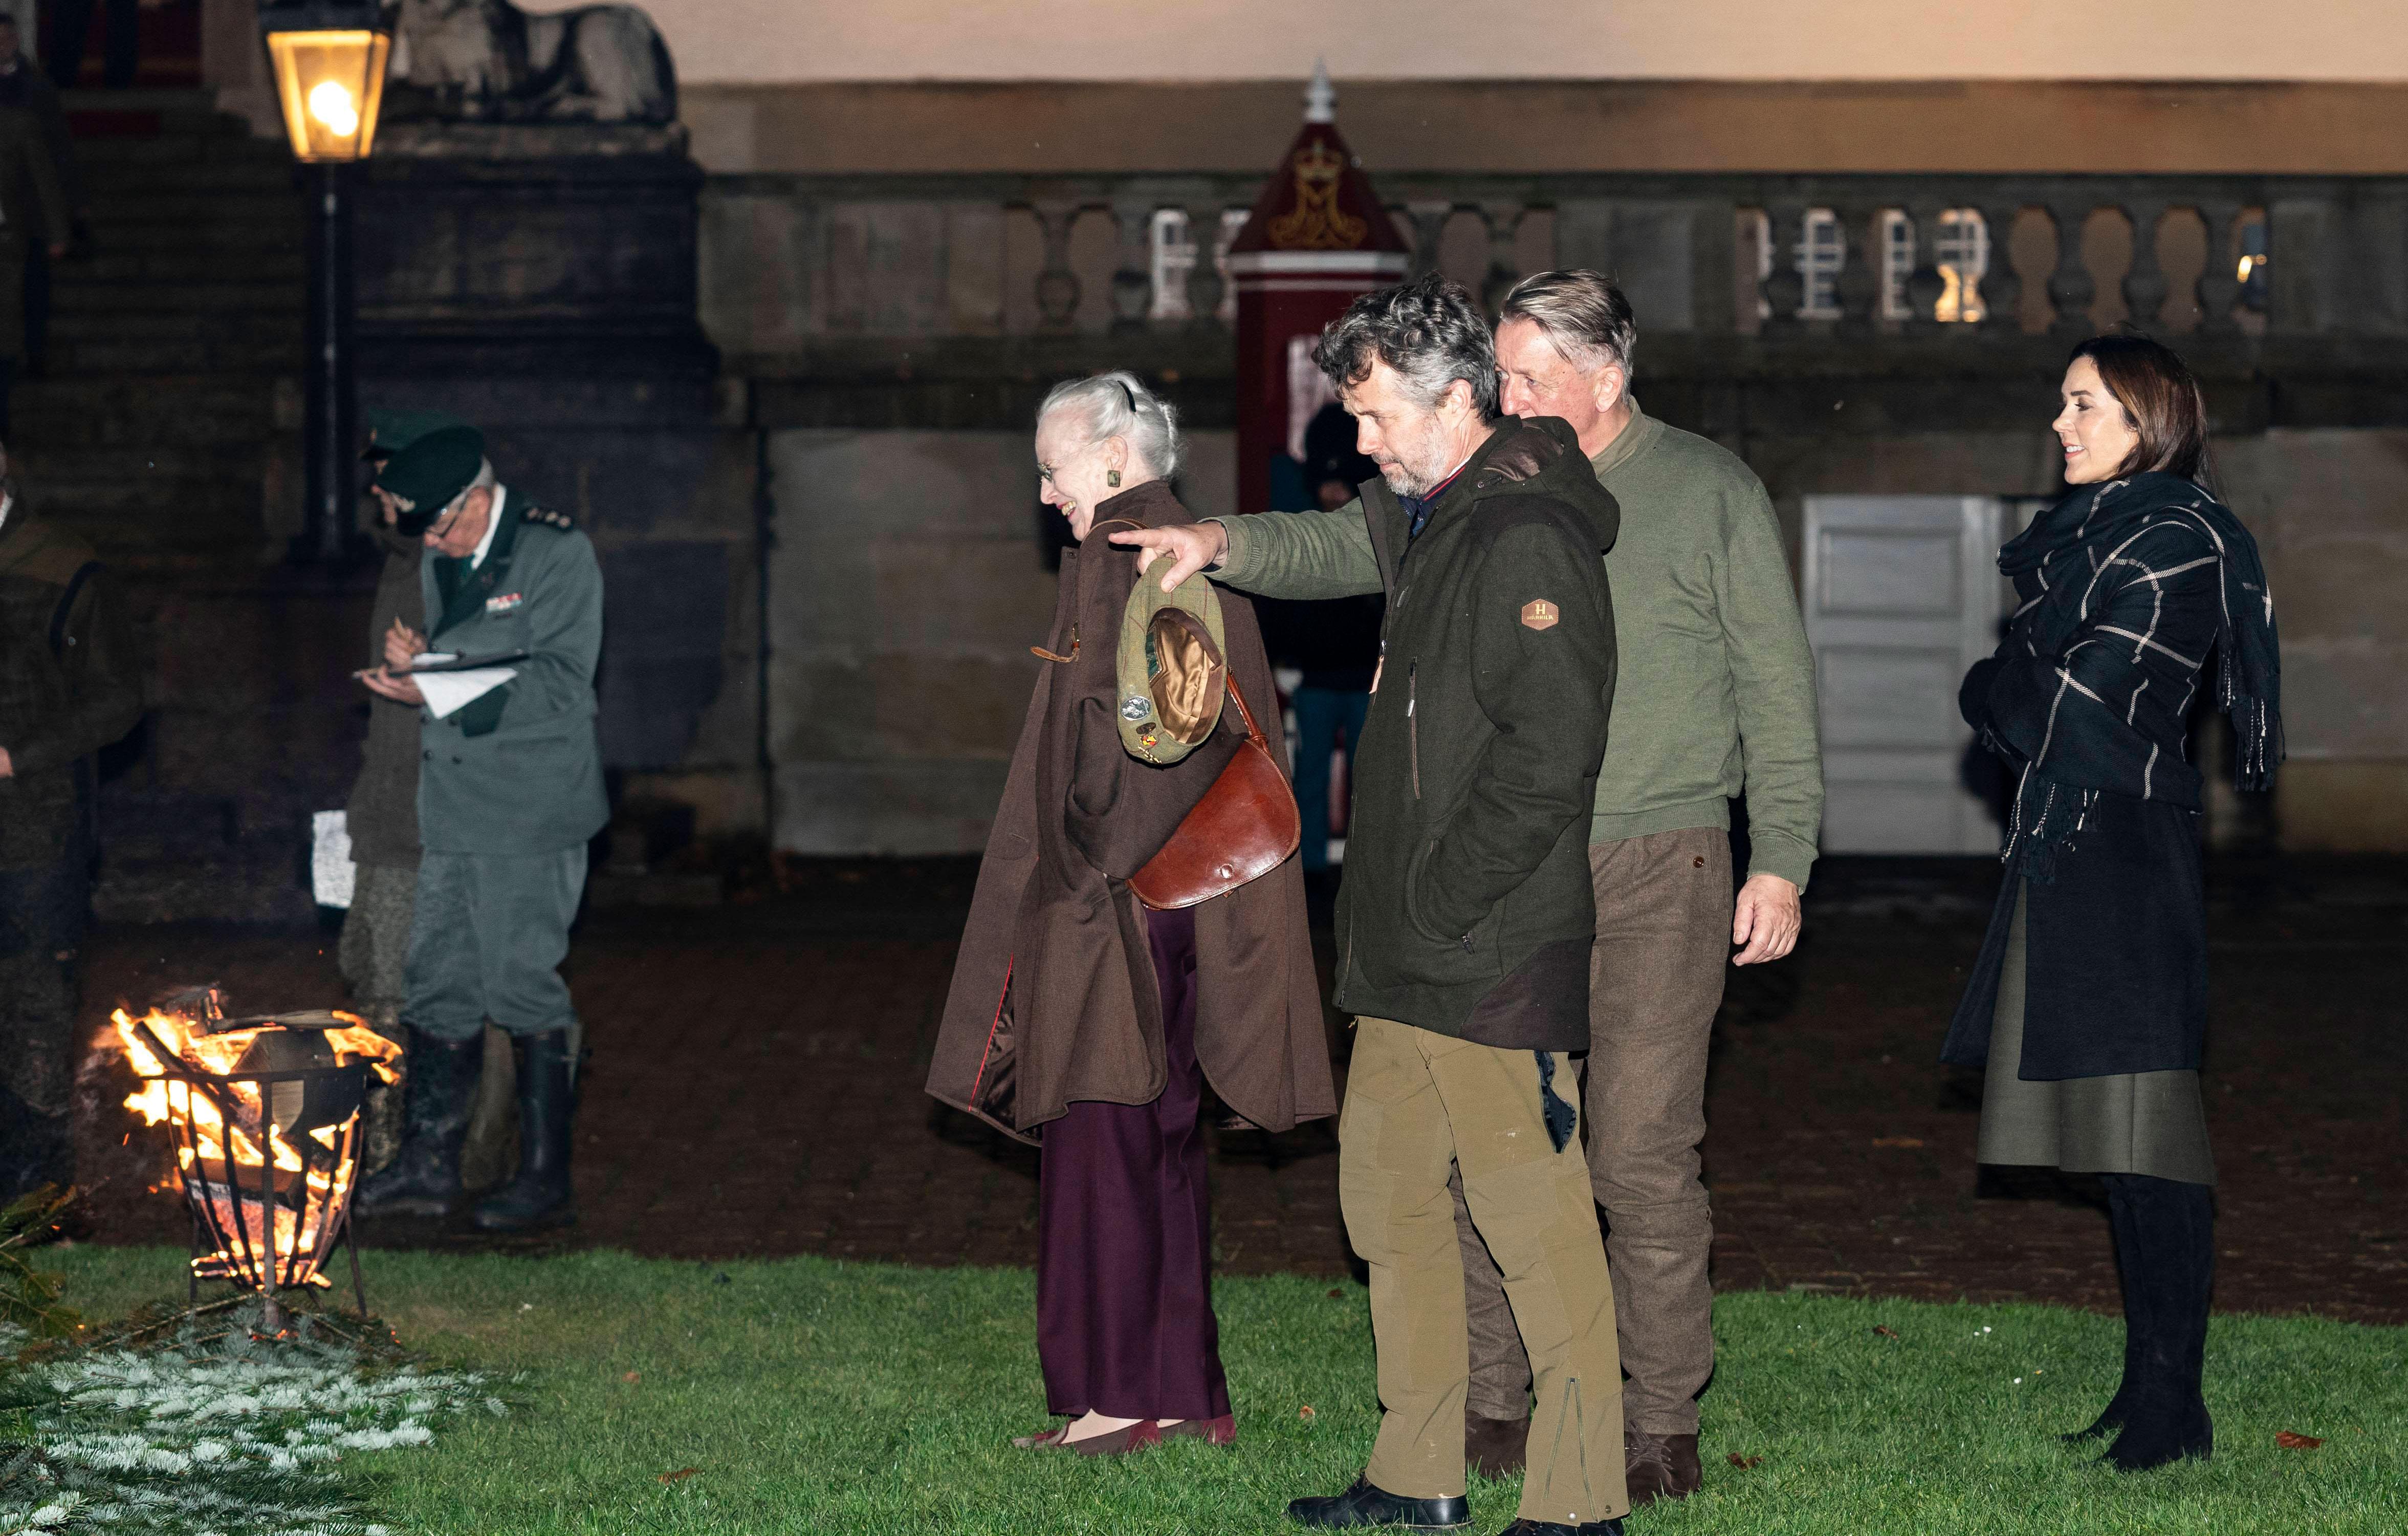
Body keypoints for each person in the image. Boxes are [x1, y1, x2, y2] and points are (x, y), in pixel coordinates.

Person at [1115, 274, 1630, 1536]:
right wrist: (1214, 543)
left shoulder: (1524, 536)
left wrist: (1441, 895)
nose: (1361, 440)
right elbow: (1330, 546)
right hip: (1406, 951)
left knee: (1535, 1227)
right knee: (1389, 1202)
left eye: (1378, 414)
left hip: (1489, 947)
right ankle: (1418, 1473)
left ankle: (1578, 1501)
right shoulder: (1430, 513)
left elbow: (1546, 759)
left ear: (1459, 399)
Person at [1444, 270, 1823, 1500]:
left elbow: (1776, 683)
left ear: (1608, 373)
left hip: (1665, 860)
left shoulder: (1708, 490)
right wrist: (1221, 540)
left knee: (1640, 1152)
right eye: (1500, 374)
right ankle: (1494, 1402)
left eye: (1528, 376)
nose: (1504, 397)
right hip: (1517, 861)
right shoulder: (1494, 486)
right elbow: (1362, 557)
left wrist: (1782, 857)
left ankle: (1659, 1422)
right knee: (1491, 1141)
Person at [925, 371, 1335, 1456]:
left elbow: (1148, 751)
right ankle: (1183, 1395)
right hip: (1162, 905)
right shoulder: (1172, 547)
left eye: (1053, 470)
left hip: (1115, 913)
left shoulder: (1133, 554)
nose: (1045, 491)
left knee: (1104, 1146)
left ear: (1112, 457)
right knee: (1154, 1148)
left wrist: (1074, 872)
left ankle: (1120, 1403)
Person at [1945, 333, 2280, 1473]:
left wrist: (2011, 680)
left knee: (2152, 1145)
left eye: (2084, 404)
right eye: (2061, 403)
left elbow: (2047, 711)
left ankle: (2174, 1406)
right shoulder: (2093, 539)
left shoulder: (2176, 537)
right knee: (2111, 1140)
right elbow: (2000, 689)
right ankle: (2145, 1387)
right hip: (2072, 846)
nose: (2061, 423)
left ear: (2148, 420)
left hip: (2124, 854)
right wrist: (2011, 681)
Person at [354, 424, 608, 1232]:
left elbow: (565, 682)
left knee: (520, 982)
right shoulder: (439, 549)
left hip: (529, 810)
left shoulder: (557, 554)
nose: (432, 542)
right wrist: (419, 661)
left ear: (476, 496)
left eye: (440, 525)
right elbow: (469, 659)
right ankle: (429, 1170)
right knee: (437, 980)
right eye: (421, 529)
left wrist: (434, 690)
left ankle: (543, 1179)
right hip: (453, 809)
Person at [0, 439, 141, 1200]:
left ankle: (33, 1192)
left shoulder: (62, 567)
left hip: (33, 828)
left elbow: (118, 699)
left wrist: (18, 753)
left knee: (33, 1004)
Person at [340, 409, 465, 1173]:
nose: (379, 487)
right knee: (370, 976)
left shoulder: (443, 566)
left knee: (398, 993)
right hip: (385, 810)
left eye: (392, 471)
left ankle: (395, 1158)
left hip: (421, 823)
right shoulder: (398, 561)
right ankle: (384, 1150)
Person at [1259, 402, 1383, 882]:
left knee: (1369, 780)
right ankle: (1309, 871)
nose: (1333, 492)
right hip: (1316, 678)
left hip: (1364, 679)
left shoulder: (1374, 535)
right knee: (1309, 777)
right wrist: (1280, 658)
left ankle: (1366, 871)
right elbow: (1283, 601)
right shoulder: (1309, 532)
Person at [0, 12, 82, 376]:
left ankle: (31, 356)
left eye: (7, 38)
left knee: (30, 291)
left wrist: (66, 212)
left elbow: (55, 150)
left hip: (28, 204)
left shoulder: (35, 87)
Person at [0, 28, 64, 435]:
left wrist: (57, 229)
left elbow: (44, 177)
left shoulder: (17, 124)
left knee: (6, 328)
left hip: (6, 240)